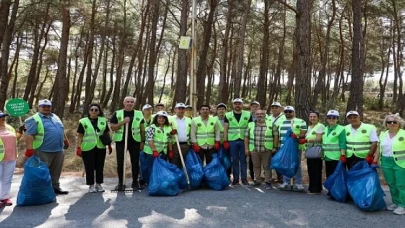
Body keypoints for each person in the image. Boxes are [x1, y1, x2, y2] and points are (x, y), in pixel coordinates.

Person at [25, 99, 70, 195]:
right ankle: (42, 191)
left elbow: (61, 129)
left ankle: (55, 187)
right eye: (43, 106)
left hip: (58, 150)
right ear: (39, 107)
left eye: (48, 106)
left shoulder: (55, 117)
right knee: (42, 172)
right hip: (43, 150)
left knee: (56, 171)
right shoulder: (33, 119)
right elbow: (29, 135)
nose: (46, 108)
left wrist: (65, 140)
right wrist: (29, 149)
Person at [110, 96, 144, 191]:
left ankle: (135, 182)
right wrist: (123, 122)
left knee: (135, 162)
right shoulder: (117, 113)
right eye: (127, 102)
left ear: (134, 103)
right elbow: (112, 128)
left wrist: (142, 141)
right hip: (121, 141)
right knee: (120, 162)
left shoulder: (139, 113)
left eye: (131, 102)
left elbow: (142, 129)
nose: (129, 103)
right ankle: (121, 182)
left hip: (135, 141)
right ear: (123, 103)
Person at [76, 104, 112, 193]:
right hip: (87, 147)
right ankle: (91, 185)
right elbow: (80, 136)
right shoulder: (83, 121)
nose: (94, 111)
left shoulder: (103, 121)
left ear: (99, 111)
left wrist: (109, 145)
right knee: (89, 167)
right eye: (92, 109)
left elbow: (107, 133)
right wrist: (78, 147)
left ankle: (99, 184)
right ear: (89, 111)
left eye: (96, 110)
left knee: (100, 166)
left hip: (101, 147)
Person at [374, 114, 405, 215]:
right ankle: (395, 202)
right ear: (386, 124)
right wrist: (375, 160)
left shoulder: (403, 134)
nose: (392, 124)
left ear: (399, 123)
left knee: (401, 185)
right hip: (386, 162)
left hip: (401, 163)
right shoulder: (383, 134)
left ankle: (402, 205)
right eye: (389, 122)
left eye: (394, 122)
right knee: (391, 184)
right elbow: (378, 148)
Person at [244, 109, 279, 190]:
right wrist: (246, 148)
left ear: (264, 115)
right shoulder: (250, 124)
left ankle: (268, 181)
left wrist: (275, 147)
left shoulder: (271, 124)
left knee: (267, 166)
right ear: (255, 115)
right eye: (257, 114)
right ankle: (257, 180)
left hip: (267, 149)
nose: (259, 115)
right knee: (256, 166)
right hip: (254, 149)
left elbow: (276, 136)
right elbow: (246, 137)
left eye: (261, 114)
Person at [223, 98, 252, 186]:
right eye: (235, 104)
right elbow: (225, 129)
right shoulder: (228, 115)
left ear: (242, 105)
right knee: (234, 160)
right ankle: (235, 179)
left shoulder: (248, 114)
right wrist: (225, 140)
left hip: (244, 140)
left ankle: (244, 179)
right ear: (233, 105)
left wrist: (250, 140)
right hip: (232, 140)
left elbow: (251, 128)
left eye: (239, 103)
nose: (237, 105)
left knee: (243, 160)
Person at [278, 106, 307, 191]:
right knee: (285, 164)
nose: (288, 113)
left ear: (293, 112)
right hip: (284, 146)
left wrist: (296, 136)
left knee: (296, 164)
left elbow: (303, 133)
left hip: (295, 146)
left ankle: (298, 183)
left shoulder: (300, 121)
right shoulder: (280, 121)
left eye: (290, 111)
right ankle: (285, 182)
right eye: (286, 111)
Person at [0, 111, 23, 206]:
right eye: (0, 117)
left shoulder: (9, 128)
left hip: (11, 157)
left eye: (3, 117)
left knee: (7, 179)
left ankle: (4, 197)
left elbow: (15, 139)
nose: (2, 119)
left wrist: (20, 132)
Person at [143, 111, 173, 182]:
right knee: (152, 167)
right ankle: (152, 182)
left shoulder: (168, 128)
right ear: (156, 118)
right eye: (159, 118)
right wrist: (154, 150)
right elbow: (150, 139)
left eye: (163, 118)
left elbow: (169, 140)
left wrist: (170, 150)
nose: (161, 119)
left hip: (163, 151)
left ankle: (160, 182)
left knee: (162, 167)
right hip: (151, 152)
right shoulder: (151, 127)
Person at [304, 111, 324, 194]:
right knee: (311, 169)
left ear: (318, 118)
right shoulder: (309, 127)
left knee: (316, 170)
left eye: (314, 116)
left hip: (316, 150)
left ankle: (315, 189)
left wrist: (306, 140)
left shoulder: (320, 126)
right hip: (309, 150)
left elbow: (318, 139)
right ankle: (314, 187)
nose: (312, 118)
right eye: (311, 116)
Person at [322, 110, 346, 179]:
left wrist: (343, 155)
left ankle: (337, 189)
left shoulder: (341, 129)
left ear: (337, 119)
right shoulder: (325, 128)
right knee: (329, 174)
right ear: (327, 119)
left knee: (336, 175)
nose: (331, 119)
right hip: (326, 156)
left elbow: (342, 143)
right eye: (329, 118)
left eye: (334, 118)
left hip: (336, 157)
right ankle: (330, 189)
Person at [169, 103, 192, 169]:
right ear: (175, 109)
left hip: (186, 145)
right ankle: (176, 177)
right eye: (179, 109)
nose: (181, 110)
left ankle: (185, 178)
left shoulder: (189, 120)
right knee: (175, 163)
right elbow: (166, 131)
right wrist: (171, 132)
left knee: (186, 163)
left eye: (182, 109)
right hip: (174, 145)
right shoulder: (170, 119)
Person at [269, 101, 286, 183]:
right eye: (273, 107)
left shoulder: (284, 117)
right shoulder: (268, 117)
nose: (274, 109)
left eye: (276, 107)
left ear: (280, 108)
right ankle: (269, 178)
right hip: (269, 143)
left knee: (280, 161)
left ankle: (281, 178)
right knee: (270, 161)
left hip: (280, 143)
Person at [248, 101, 260, 182]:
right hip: (250, 141)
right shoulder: (247, 116)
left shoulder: (264, 116)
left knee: (264, 161)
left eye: (256, 106)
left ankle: (265, 178)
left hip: (262, 141)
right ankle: (253, 177)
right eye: (253, 106)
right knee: (252, 160)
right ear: (251, 108)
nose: (255, 108)